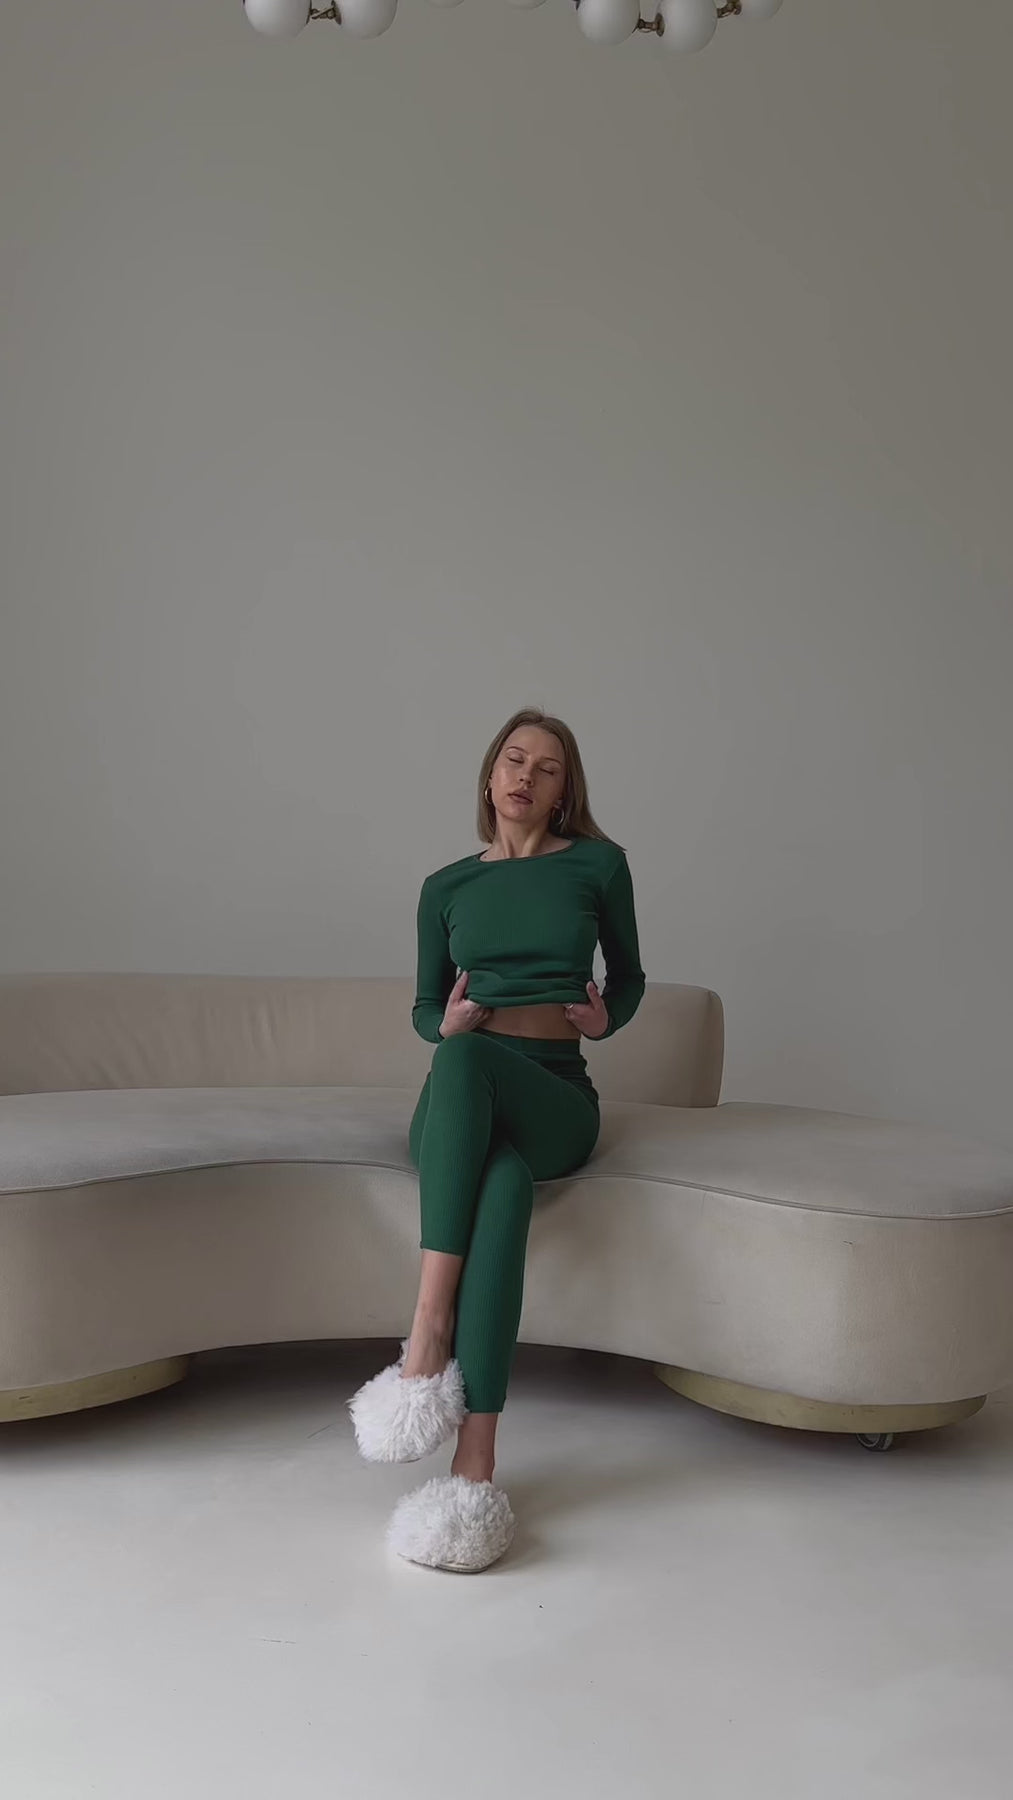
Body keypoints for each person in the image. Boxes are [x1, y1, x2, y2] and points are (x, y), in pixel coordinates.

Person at [349, 708, 645, 1572]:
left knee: (467, 1060)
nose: (526, 776)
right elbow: (423, 1007)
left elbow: (628, 977)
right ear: (489, 775)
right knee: (500, 1176)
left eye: (547, 769)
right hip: (460, 1096)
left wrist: (605, 1019)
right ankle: (473, 1465)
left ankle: (425, 1335)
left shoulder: (598, 865)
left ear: (562, 794)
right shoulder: (444, 886)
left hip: (553, 1093)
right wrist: (440, 1024)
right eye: (514, 760)